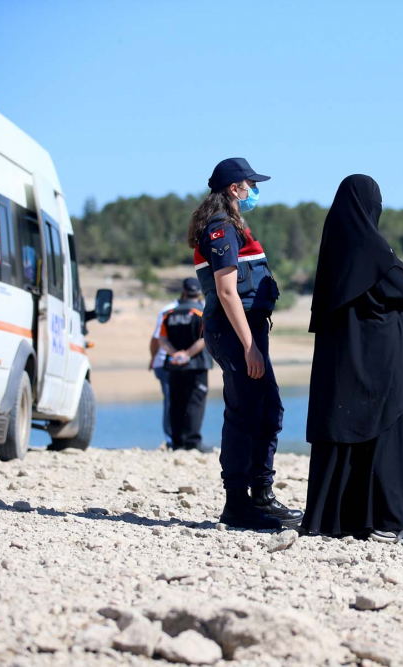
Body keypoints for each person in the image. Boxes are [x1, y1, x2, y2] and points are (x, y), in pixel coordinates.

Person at [301, 175, 403, 542]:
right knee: (386, 433)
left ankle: (338, 518)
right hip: (381, 362)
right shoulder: (376, 250)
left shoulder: (333, 251)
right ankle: (388, 518)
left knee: (347, 430)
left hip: (341, 363)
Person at [189, 157, 302, 529]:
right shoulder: (221, 229)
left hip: (247, 331)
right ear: (233, 189)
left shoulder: (233, 226)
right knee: (244, 414)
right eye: (251, 185)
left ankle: (262, 496)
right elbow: (225, 290)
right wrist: (249, 345)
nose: (255, 191)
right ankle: (237, 504)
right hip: (236, 333)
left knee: (269, 411)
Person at [158, 280, 212, 451]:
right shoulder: (202, 312)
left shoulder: (169, 313)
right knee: (195, 402)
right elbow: (205, 338)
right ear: (199, 293)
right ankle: (193, 442)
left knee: (176, 402)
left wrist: (175, 354)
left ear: (183, 292)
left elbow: (162, 338)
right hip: (197, 364)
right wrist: (187, 354)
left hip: (174, 365)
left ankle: (177, 442)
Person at [150, 291, 183, 445]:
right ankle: (172, 438)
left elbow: (155, 339)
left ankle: (178, 438)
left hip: (178, 362)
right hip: (166, 363)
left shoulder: (170, 308)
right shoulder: (169, 310)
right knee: (172, 400)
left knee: (175, 400)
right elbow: (157, 338)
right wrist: (153, 358)